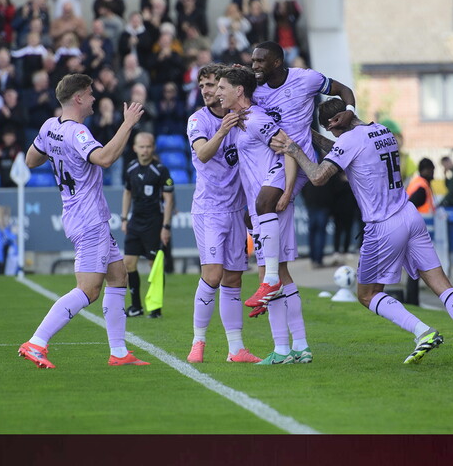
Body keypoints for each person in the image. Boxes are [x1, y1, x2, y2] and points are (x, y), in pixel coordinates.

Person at [272, 98, 453, 363]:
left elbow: (318, 176)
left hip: (383, 224)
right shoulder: (381, 130)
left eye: (331, 130)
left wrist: (294, 149)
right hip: (409, 214)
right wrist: (313, 136)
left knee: (367, 294)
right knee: (440, 282)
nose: (333, 136)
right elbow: (346, 150)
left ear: (337, 121)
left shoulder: (350, 141)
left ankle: (423, 332)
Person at [18, 73, 148, 368]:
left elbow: (30, 160)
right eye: (90, 94)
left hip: (78, 213)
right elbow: (103, 158)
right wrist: (127, 124)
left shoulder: (50, 126)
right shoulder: (78, 133)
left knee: (118, 277)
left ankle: (118, 353)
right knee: (89, 290)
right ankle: (36, 342)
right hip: (89, 219)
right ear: (78, 98)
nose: (93, 99)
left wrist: (56, 152)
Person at [243, 40, 356, 307]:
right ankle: (288, 330)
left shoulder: (306, 79)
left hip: (297, 158)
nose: (255, 65)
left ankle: (269, 281)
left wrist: (349, 112)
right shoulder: (254, 87)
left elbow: (343, 89)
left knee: (264, 204)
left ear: (277, 62)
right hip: (271, 158)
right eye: (253, 60)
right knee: (253, 219)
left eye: (260, 61)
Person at [217, 66, 312, 364]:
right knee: (283, 274)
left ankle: (284, 348)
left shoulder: (257, 119)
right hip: (261, 207)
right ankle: (297, 347)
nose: (218, 93)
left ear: (239, 91)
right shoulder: (239, 122)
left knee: (273, 276)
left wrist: (285, 192)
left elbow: (289, 148)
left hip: (271, 204)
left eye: (222, 87)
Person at [183, 63, 263, 363]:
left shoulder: (243, 116)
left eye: (211, 84)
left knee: (233, 279)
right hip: (209, 210)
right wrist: (223, 130)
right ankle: (198, 342)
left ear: (224, 88)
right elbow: (203, 154)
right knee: (213, 275)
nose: (205, 90)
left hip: (235, 210)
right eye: (201, 85)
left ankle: (235, 349)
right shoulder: (198, 120)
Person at [121, 132, 174, 318]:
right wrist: (124, 218)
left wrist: (165, 227)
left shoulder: (161, 170)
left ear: (153, 148)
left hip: (154, 223)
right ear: (135, 148)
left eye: (148, 147)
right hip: (135, 221)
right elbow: (127, 193)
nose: (145, 150)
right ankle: (136, 306)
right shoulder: (131, 168)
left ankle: (156, 307)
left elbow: (169, 200)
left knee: (155, 265)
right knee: (128, 263)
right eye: (141, 147)